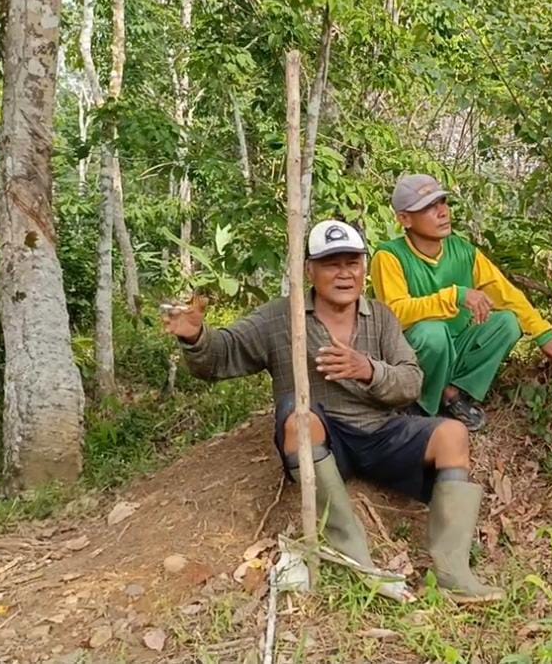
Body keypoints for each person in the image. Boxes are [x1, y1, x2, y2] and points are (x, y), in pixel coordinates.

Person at [162, 220, 503, 603]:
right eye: (331, 264)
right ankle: (356, 558)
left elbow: (411, 382)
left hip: (379, 434)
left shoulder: (381, 317)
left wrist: (368, 369)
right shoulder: (282, 318)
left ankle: (452, 572)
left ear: (363, 267)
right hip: (323, 441)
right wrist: (195, 336)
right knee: (299, 416)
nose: (344, 273)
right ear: (309, 270)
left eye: (352, 263)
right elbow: (221, 356)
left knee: (453, 434)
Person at [370, 174, 552, 432]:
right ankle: (417, 405)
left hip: (457, 347)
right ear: (404, 219)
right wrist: (455, 296)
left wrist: (543, 333)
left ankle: (452, 392)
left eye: (443, 202)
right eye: (429, 207)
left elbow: (505, 294)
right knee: (434, 333)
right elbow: (395, 313)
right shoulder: (389, 256)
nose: (443, 212)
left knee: (507, 323)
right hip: (414, 356)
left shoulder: (463, 251)